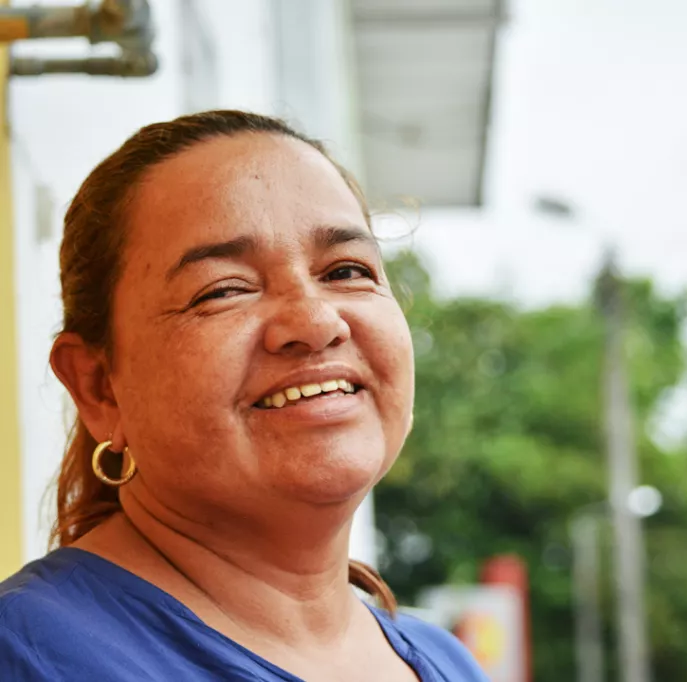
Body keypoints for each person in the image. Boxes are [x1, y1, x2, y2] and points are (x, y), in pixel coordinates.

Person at [0, 110, 489, 681]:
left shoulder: (447, 662)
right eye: (224, 289)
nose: (314, 320)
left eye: (346, 270)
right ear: (98, 386)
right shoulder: (32, 656)